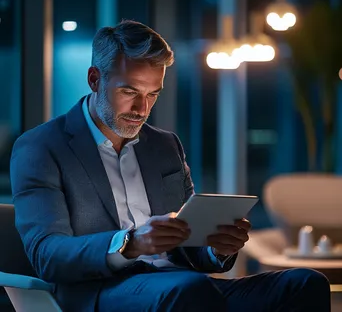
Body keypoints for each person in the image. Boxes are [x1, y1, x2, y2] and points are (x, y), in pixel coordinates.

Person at [11, 20, 330, 312]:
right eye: (129, 91)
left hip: (182, 285)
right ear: (95, 79)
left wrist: (217, 248)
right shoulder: (41, 147)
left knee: (304, 282)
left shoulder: (164, 146)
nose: (142, 108)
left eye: (153, 94)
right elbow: (47, 255)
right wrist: (131, 243)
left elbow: (189, 249)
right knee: (188, 289)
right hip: (101, 289)